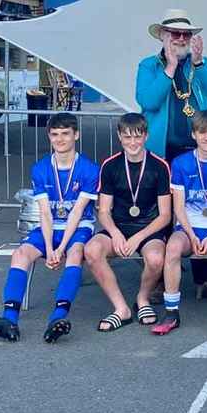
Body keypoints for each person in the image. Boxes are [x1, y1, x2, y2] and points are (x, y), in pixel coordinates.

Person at [0, 113, 99, 343]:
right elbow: (44, 213)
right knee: (21, 253)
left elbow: (77, 212)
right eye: (54, 134)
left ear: (76, 135)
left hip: (78, 226)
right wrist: (50, 246)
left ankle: (58, 317)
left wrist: (60, 248)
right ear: (49, 137)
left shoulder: (90, 169)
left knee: (74, 253)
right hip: (49, 226)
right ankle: (9, 319)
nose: (60, 139)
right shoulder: (40, 168)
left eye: (65, 134)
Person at [151, 111, 207, 335]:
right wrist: (191, 235)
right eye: (202, 132)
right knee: (172, 248)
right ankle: (171, 313)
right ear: (193, 134)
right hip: (188, 226)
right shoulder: (181, 163)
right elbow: (178, 207)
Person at [84, 113, 172, 332]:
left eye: (137, 137)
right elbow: (103, 211)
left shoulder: (160, 166)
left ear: (146, 136)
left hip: (149, 229)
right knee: (92, 250)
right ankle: (121, 308)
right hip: (119, 227)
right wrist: (115, 234)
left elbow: (165, 215)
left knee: (155, 258)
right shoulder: (110, 165)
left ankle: (143, 299)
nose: (133, 143)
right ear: (119, 137)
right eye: (127, 137)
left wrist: (138, 238)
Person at [135, 8, 207, 161]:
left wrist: (199, 63)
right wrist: (170, 67)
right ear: (162, 36)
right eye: (175, 33)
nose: (181, 38)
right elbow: (148, 102)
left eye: (186, 34)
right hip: (161, 151)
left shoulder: (200, 64)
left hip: (199, 149)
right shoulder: (149, 65)